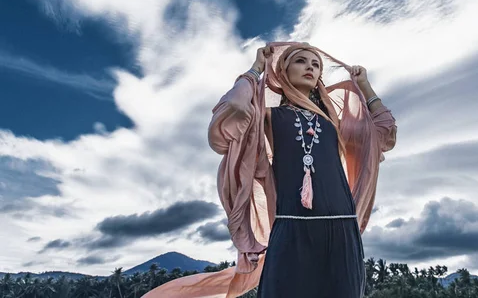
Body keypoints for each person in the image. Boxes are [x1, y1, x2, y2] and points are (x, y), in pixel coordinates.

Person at [142, 42, 397, 298]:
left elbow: (384, 134)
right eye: (301, 61)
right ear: (283, 70)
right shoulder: (267, 116)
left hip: (342, 230)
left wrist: (364, 85)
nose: (310, 66)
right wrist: (256, 68)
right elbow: (233, 109)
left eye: (316, 64)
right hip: (290, 227)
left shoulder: (334, 123)